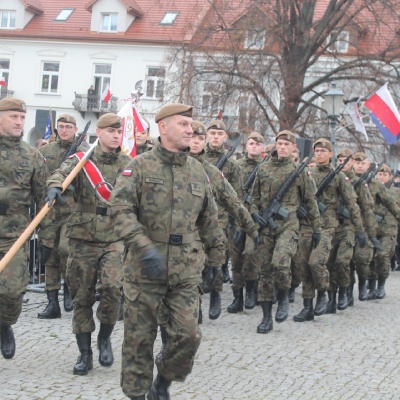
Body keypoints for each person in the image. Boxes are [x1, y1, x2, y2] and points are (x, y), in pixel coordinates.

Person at [108, 103, 225, 400]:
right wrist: (143, 248)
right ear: (163, 127)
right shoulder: (140, 166)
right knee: (138, 341)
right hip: (144, 269)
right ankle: (136, 394)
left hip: (185, 269)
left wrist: (216, 260)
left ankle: (163, 381)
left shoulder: (198, 170)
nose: (190, 130)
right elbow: (119, 211)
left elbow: (209, 219)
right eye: (184, 124)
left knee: (188, 335)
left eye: (191, 125)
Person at [45, 113, 131, 375]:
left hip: (114, 238)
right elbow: (59, 173)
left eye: (119, 132)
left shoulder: (130, 164)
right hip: (82, 239)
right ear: (100, 133)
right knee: (81, 297)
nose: (116, 136)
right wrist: (54, 186)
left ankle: (104, 337)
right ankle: (85, 353)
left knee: (114, 289)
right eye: (111, 131)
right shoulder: (82, 160)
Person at [250, 130, 321, 334]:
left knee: (280, 263)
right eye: (279, 144)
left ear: (293, 148)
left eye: (286, 145)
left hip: (288, 225)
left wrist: (317, 229)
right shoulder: (263, 169)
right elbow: (253, 198)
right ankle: (266, 317)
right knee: (264, 271)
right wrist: (255, 214)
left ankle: (283, 298)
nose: (282, 147)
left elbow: (310, 202)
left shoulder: (299, 171)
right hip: (266, 225)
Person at [0, 97, 49, 359]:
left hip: (15, 237)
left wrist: (47, 240)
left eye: (22, 118)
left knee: (12, 292)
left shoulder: (32, 156)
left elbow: (44, 201)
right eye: (13, 117)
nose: (19, 122)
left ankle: (4, 323)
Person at [38, 114, 86, 319]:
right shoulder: (45, 151)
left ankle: (68, 288)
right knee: (49, 256)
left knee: (66, 251)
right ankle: (52, 303)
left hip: (72, 211)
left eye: (68, 127)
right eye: (61, 127)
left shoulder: (84, 152)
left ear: (76, 129)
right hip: (49, 211)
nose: (64, 130)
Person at [311, 139, 365, 314]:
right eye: (316, 151)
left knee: (341, 262)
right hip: (317, 225)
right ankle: (330, 299)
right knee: (328, 263)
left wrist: (361, 231)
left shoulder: (339, 177)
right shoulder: (308, 173)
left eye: (322, 151)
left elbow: (353, 204)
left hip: (342, 227)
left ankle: (344, 291)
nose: (319, 154)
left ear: (329, 154)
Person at [228, 132, 265, 313]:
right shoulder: (236, 166)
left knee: (251, 255)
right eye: (251, 143)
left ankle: (251, 291)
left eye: (258, 144)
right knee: (236, 259)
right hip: (237, 218)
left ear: (263, 148)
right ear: (246, 146)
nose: (254, 146)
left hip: (255, 220)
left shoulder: (266, 168)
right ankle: (237, 297)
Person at [205, 120, 242, 292]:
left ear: (225, 137)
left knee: (216, 254)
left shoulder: (232, 164)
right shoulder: (196, 158)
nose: (215, 137)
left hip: (220, 215)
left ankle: (215, 293)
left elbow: (235, 195)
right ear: (207, 135)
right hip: (196, 212)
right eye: (212, 133)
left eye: (219, 134)